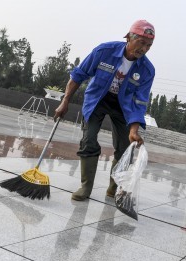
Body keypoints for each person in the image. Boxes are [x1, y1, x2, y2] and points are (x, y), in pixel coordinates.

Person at [54, 20, 155, 201]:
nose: (144, 49)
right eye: (141, 42)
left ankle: (112, 188)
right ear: (129, 37)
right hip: (97, 100)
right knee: (88, 139)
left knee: (124, 149)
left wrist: (134, 130)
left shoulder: (147, 70)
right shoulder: (104, 51)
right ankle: (86, 187)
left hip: (123, 106)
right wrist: (65, 101)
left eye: (149, 45)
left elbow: (139, 102)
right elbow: (78, 75)